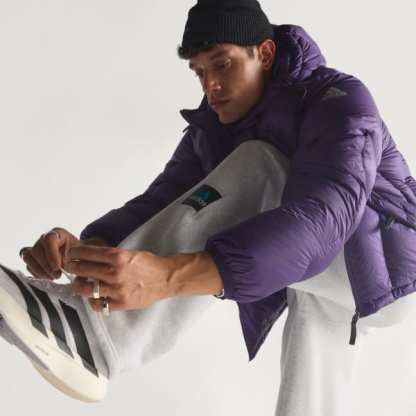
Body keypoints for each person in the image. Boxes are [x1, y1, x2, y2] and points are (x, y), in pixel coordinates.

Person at [7, 0, 416, 412]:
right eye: (200, 72)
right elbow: (163, 202)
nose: (211, 85)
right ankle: (75, 312)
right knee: (311, 396)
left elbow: (321, 222)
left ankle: (95, 338)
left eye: (222, 64)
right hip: (320, 274)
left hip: (382, 266)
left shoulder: (339, 100)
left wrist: (168, 276)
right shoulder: (215, 126)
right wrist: (87, 253)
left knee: (259, 164)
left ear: (264, 53)